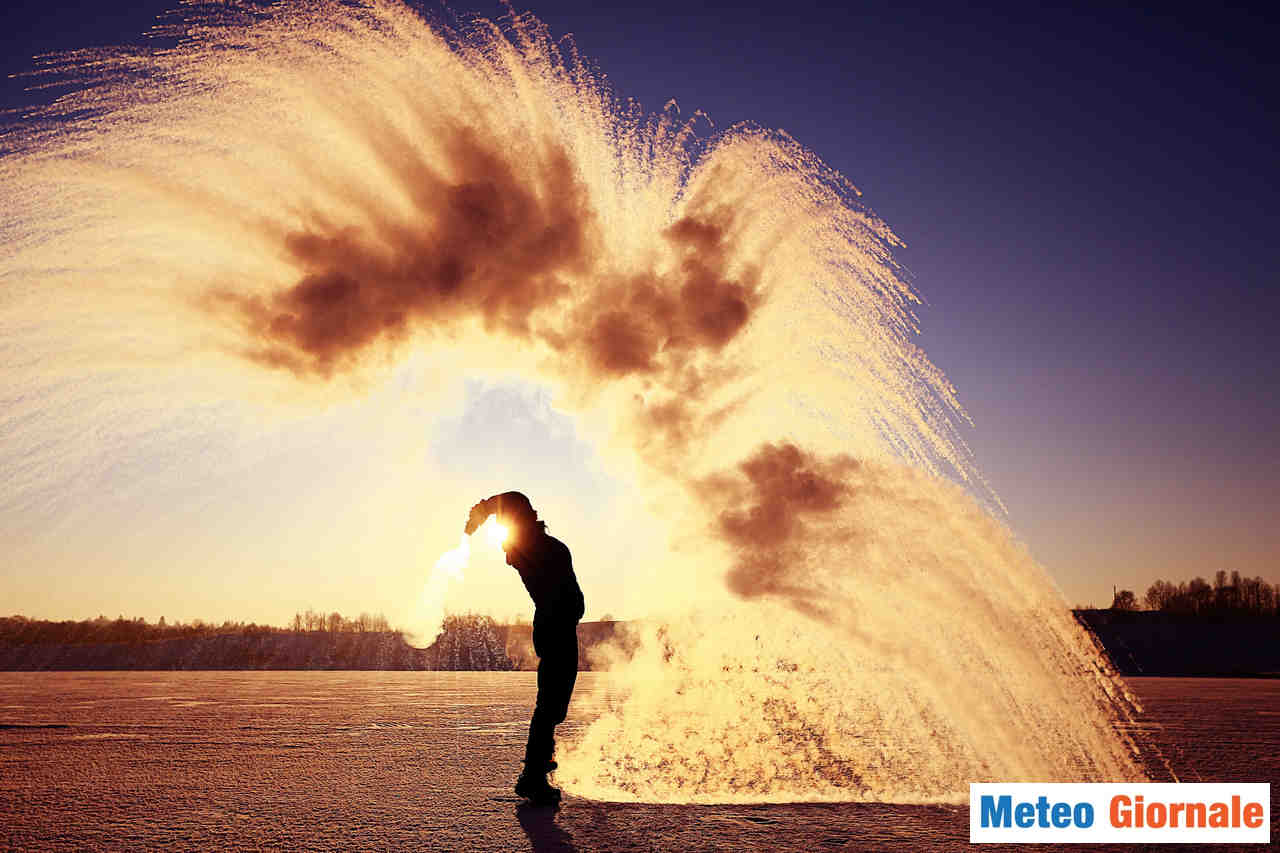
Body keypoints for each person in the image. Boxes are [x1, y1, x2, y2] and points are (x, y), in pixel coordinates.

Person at [464, 491, 584, 805]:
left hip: (557, 624)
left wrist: (482, 512)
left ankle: (539, 767)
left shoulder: (534, 545)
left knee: (554, 703)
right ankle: (533, 775)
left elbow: (512, 502)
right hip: (555, 625)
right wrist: (485, 510)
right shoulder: (530, 546)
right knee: (551, 703)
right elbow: (513, 499)